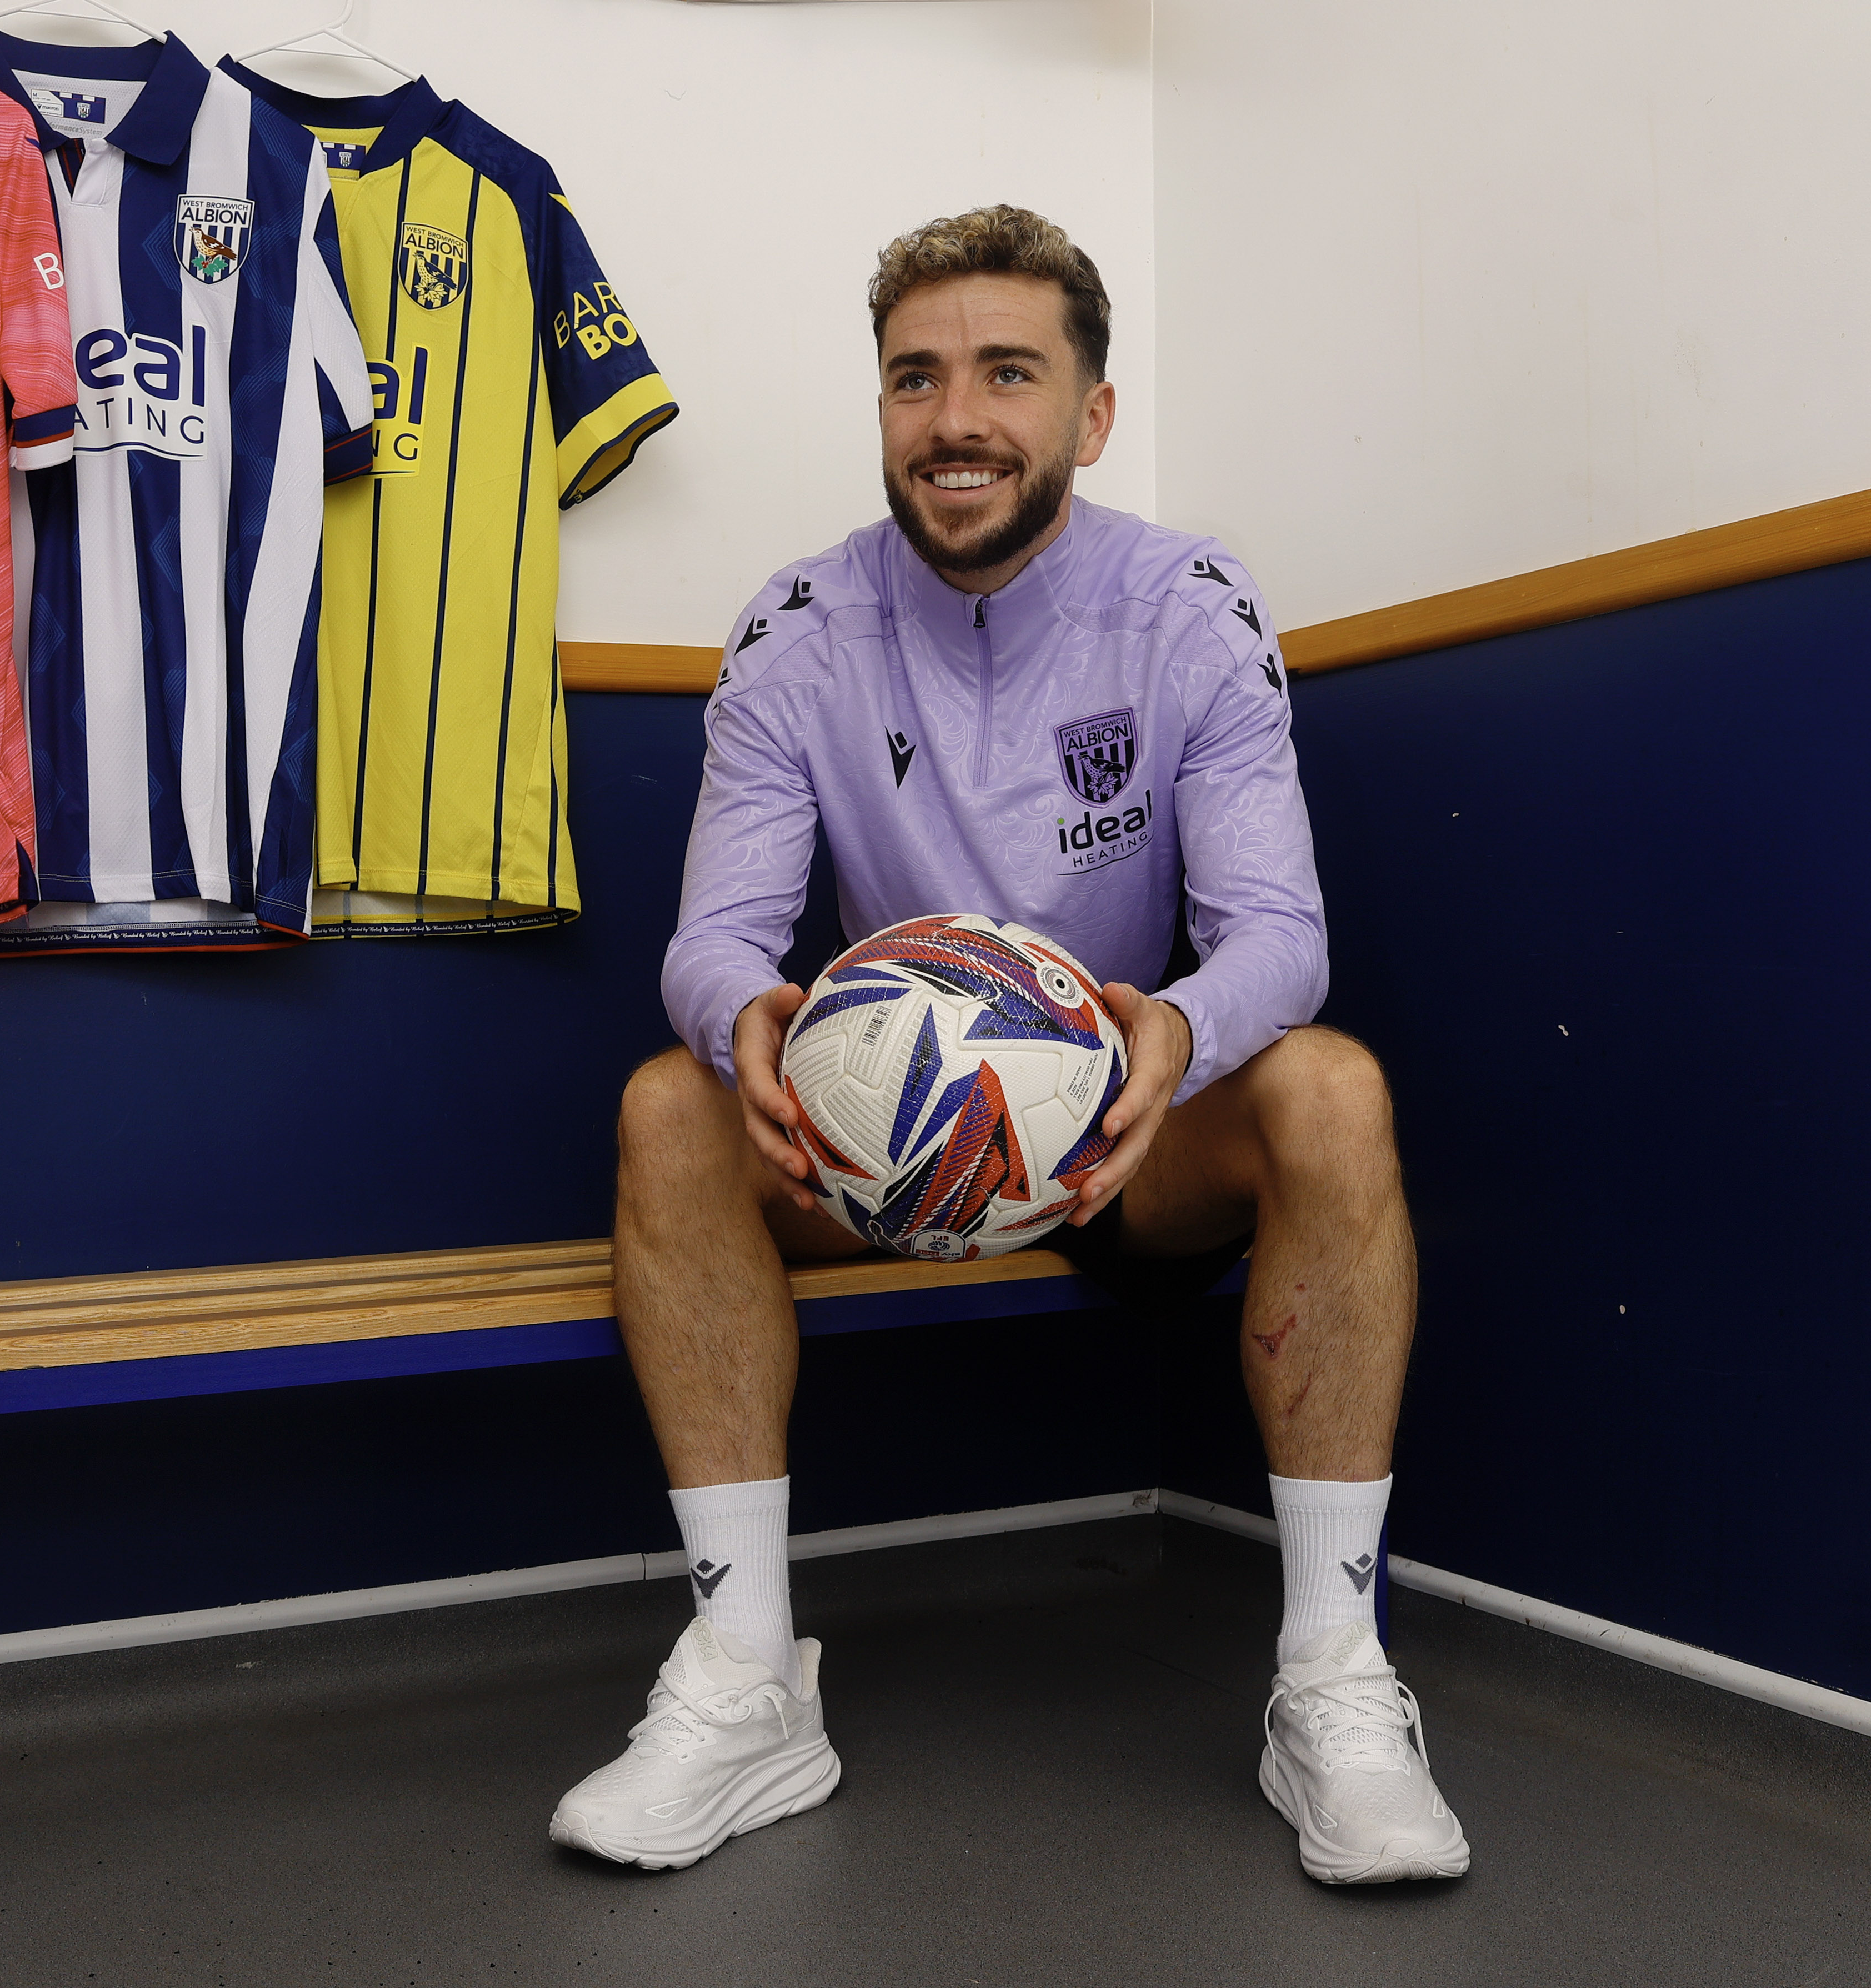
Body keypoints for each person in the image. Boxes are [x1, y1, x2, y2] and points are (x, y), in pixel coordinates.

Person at [545, 206, 1468, 1885]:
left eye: (1004, 373)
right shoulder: (796, 624)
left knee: (1331, 1084)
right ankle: (749, 1680)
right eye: (915, 377)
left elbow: (1283, 933)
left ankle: (1331, 1680)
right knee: (665, 1109)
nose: (954, 417)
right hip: (882, 1142)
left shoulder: (1186, 602)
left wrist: (1167, 1037)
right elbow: (715, 939)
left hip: (1126, 1129)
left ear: (1088, 414)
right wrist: (740, 1017)